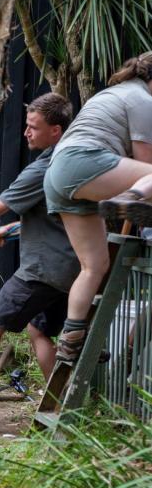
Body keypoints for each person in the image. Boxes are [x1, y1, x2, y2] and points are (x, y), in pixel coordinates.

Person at [0, 93, 77, 430]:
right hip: (75, 270)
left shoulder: (41, 168)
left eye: (33, 127)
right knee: (39, 331)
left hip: (43, 270)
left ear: (56, 130)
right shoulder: (73, 160)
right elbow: (57, 215)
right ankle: (64, 409)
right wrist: (8, 229)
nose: (26, 133)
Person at [44, 51, 152, 362]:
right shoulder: (142, 100)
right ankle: (129, 198)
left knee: (94, 266)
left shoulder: (114, 92)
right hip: (83, 163)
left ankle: (72, 339)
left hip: (58, 175)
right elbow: (145, 163)